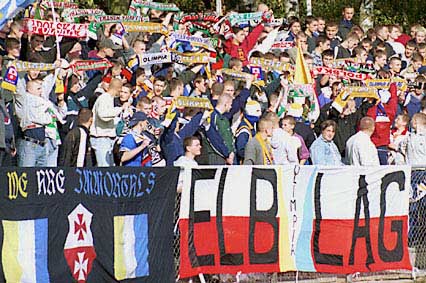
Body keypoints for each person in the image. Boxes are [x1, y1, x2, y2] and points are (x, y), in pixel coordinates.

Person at [90, 78, 131, 166]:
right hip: (101, 138)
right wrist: (121, 109)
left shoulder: (109, 99)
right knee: (104, 168)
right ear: (119, 89)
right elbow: (103, 115)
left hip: (107, 139)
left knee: (109, 167)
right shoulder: (104, 98)